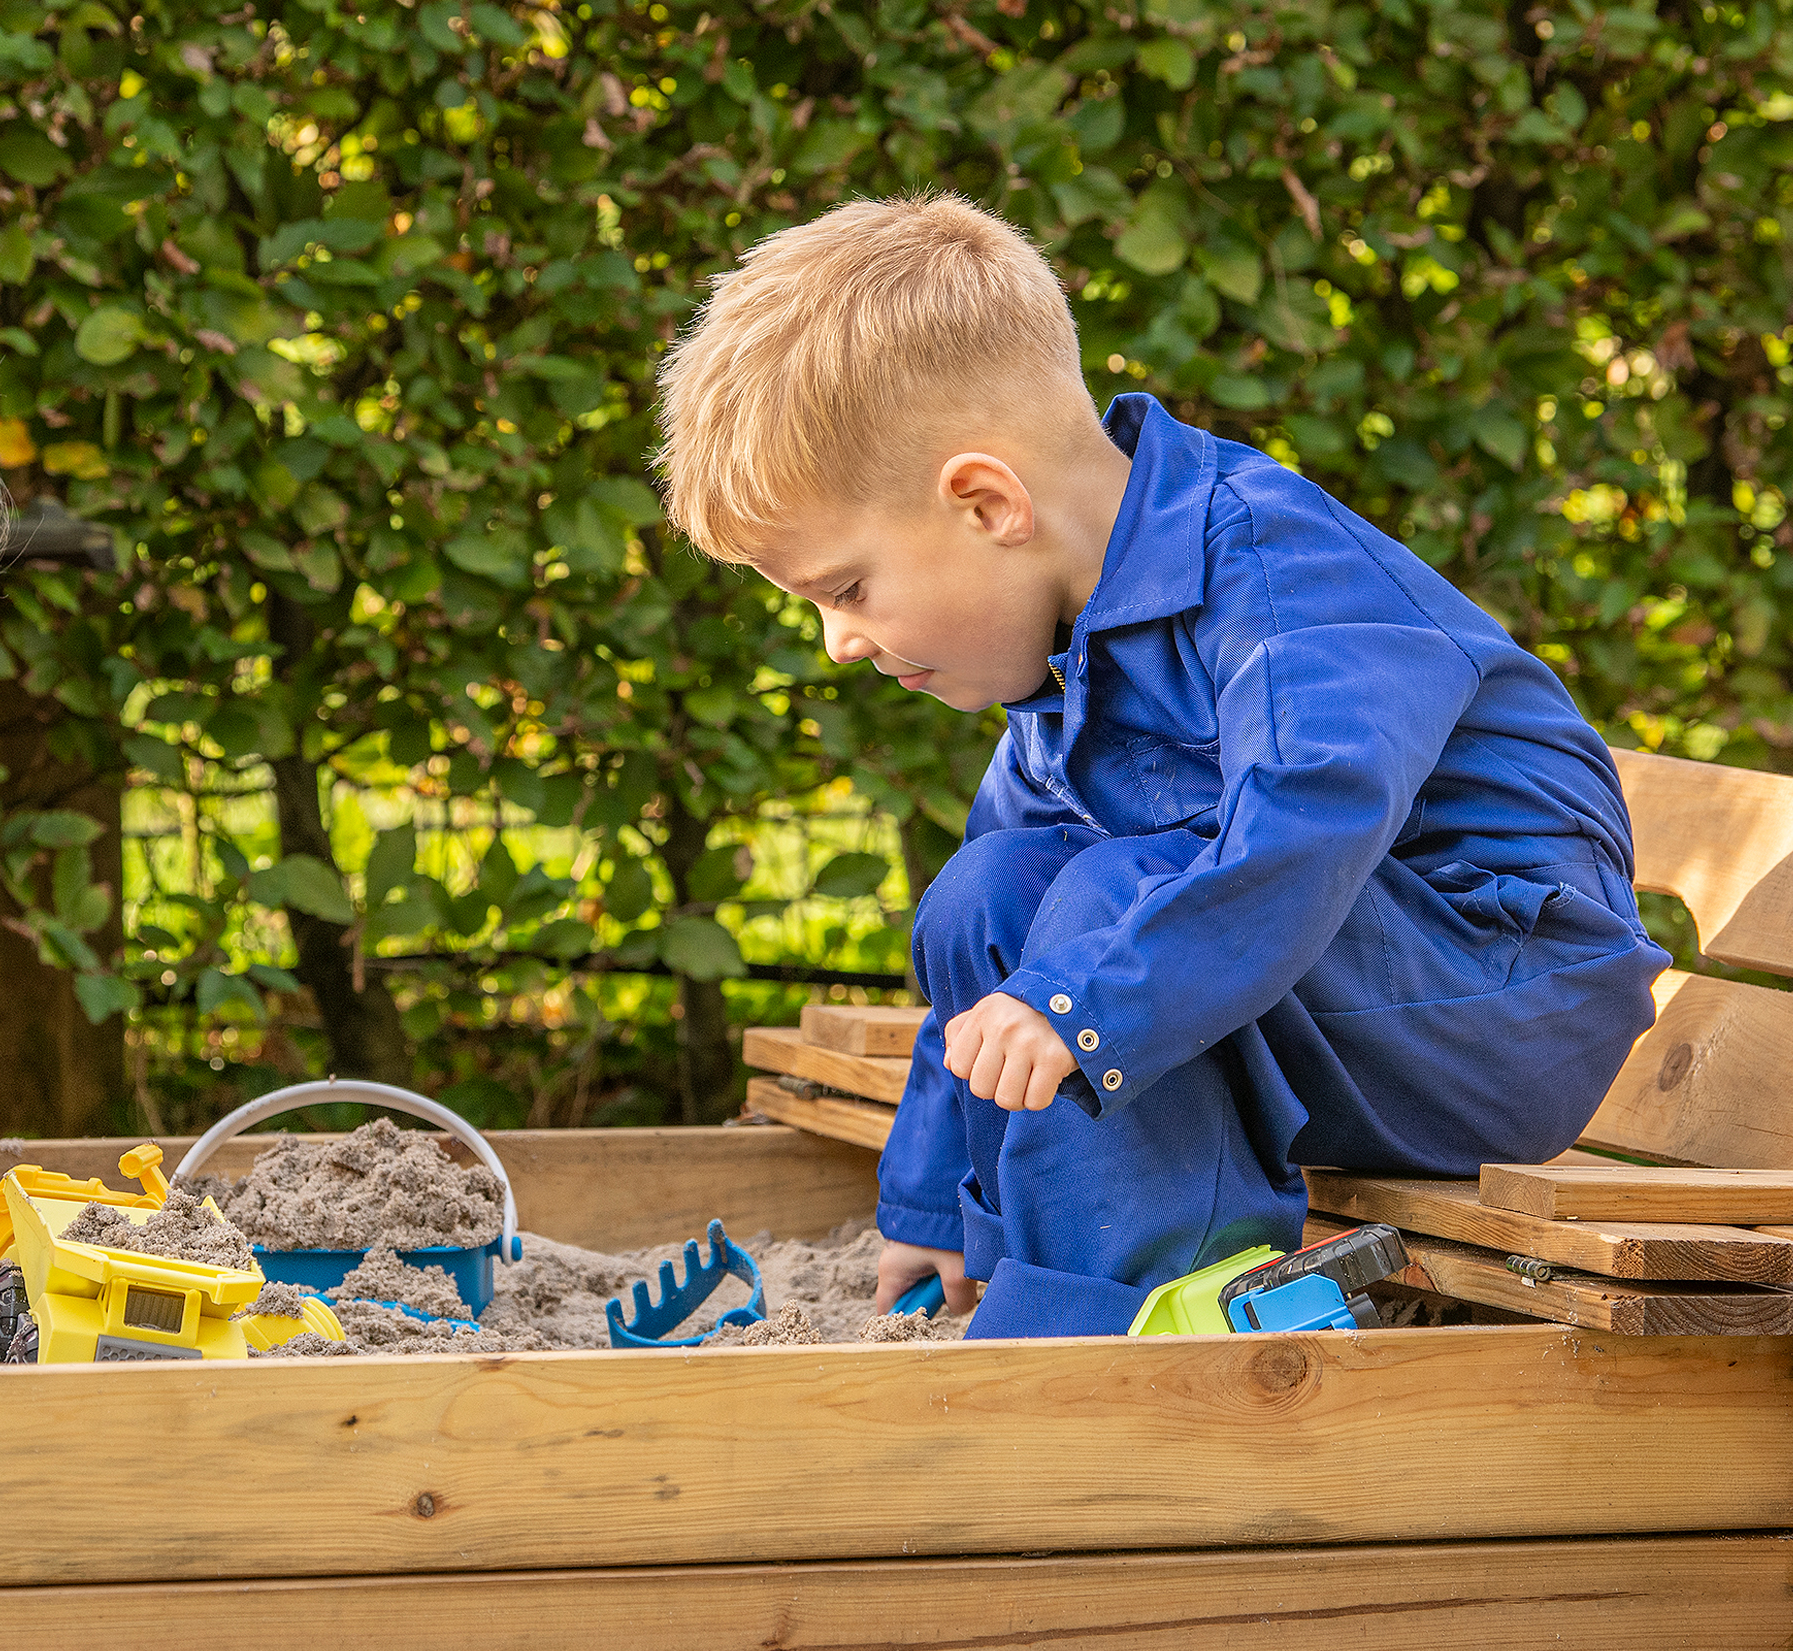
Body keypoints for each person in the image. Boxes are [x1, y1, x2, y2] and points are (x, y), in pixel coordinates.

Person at [654, 194, 1668, 1338]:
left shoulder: (1276, 572)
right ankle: (1053, 1282)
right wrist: (932, 1200)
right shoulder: (1070, 661)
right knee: (988, 891)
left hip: (1497, 1005)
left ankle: (1135, 1312)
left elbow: (1303, 831)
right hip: (1327, 1008)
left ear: (987, 503)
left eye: (846, 590)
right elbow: (989, 931)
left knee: (1098, 909)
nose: (838, 640)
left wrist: (1081, 1004)